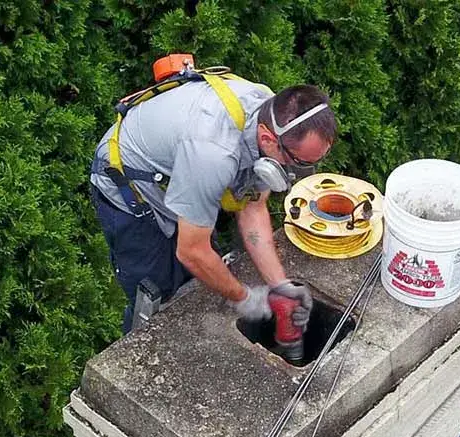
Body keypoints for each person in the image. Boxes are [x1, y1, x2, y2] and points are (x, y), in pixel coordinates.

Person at [89, 72, 336, 333]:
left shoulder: (272, 116)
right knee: (156, 290)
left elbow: (252, 207)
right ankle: (136, 358)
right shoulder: (213, 154)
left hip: (181, 169)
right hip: (128, 181)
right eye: (299, 162)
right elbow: (192, 252)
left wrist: (280, 284)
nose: (297, 171)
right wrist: (245, 298)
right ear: (267, 140)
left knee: (203, 270)